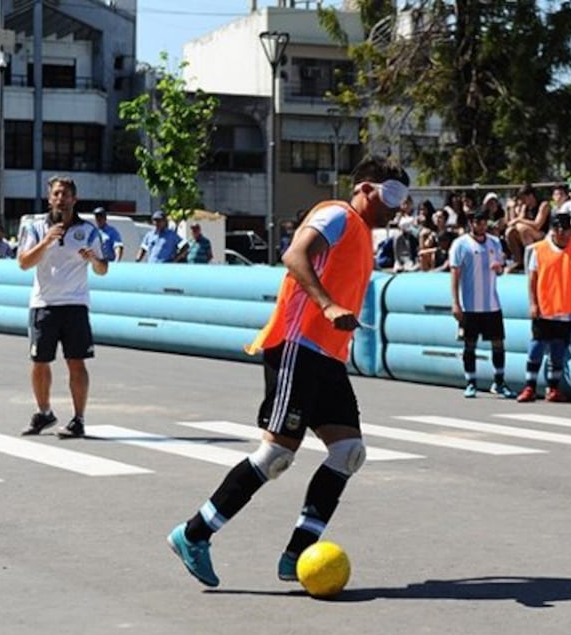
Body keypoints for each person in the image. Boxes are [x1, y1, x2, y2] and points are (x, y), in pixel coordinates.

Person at [166, 157, 410, 589]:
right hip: (298, 347)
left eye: (403, 200)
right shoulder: (337, 214)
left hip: (327, 358)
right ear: (366, 189)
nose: (397, 208)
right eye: (391, 196)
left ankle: (297, 552)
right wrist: (328, 304)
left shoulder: (363, 235)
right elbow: (294, 255)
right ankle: (193, 534)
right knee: (277, 455)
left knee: (348, 452)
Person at [16, 175, 108, 438]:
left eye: (66, 194)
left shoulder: (89, 231)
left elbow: (102, 270)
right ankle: (44, 412)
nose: (61, 199)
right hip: (44, 303)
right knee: (39, 362)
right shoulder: (34, 228)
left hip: (75, 304)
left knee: (76, 362)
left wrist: (93, 260)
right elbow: (23, 263)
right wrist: (46, 242)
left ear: (74, 199)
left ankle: (78, 419)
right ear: (50, 198)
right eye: (56, 194)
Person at [517, 213, 571, 403]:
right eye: (558, 229)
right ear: (553, 230)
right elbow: (532, 279)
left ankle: (553, 387)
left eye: (566, 229)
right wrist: (533, 303)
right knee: (536, 346)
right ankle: (530, 386)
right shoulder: (540, 249)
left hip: (567, 306)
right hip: (545, 306)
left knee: (559, 349)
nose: (562, 233)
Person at [449, 209, 515, 399]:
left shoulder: (494, 242)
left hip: (491, 304)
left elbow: (500, 269)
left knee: (498, 343)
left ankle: (499, 382)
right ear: (471, 223)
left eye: (484, 222)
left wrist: (499, 268)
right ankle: (471, 382)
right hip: (471, 305)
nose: (481, 226)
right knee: (470, 344)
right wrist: (456, 303)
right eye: (478, 222)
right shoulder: (461, 244)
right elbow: (455, 275)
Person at [504, 183, 550, 273]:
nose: (522, 201)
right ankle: (518, 261)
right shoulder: (525, 207)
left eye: (523, 198)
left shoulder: (543, 205)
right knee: (510, 232)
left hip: (541, 233)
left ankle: (530, 262)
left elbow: (538, 225)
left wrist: (519, 220)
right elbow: (512, 223)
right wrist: (511, 209)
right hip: (527, 233)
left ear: (530, 196)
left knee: (523, 229)